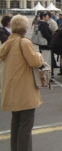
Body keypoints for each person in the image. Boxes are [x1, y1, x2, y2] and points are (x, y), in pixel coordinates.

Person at [0, 15, 44, 151]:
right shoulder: (23, 42)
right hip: (24, 90)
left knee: (16, 124)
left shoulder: (8, 42)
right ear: (24, 28)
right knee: (26, 127)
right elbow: (35, 61)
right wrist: (40, 55)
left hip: (12, 89)